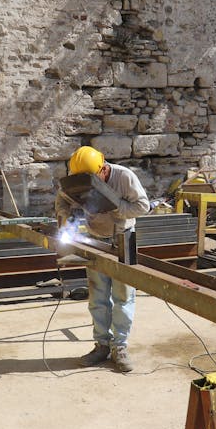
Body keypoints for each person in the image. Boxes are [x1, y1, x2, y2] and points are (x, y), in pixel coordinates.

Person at [55, 146, 150, 372]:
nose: (84, 182)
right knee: (97, 297)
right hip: (95, 240)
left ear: (103, 169)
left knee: (122, 296)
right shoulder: (77, 181)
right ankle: (102, 346)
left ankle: (120, 346)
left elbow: (143, 206)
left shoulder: (124, 177)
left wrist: (117, 207)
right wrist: (66, 216)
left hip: (122, 240)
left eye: (89, 178)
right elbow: (62, 200)